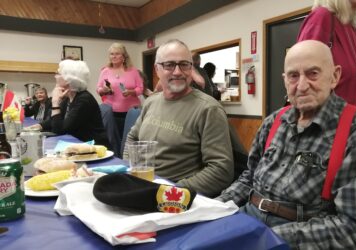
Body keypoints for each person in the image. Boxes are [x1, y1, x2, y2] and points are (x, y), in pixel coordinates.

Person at [216, 40, 356, 249]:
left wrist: (266, 238)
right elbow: (248, 179)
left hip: (300, 236)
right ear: (284, 80)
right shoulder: (274, 121)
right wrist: (214, 206)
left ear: (334, 76)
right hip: (247, 219)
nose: (301, 85)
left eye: (313, 73)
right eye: (293, 76)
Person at [123, 39, 234, 197]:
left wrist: (171, 191)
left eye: (184, 64)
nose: (177, 72)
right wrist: (130, 168)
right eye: (169, 65)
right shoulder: (151, 101)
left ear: (191, 68)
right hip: (140, 186)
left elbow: (221, 171)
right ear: (157, 69)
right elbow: (132, 138)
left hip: (174, 197)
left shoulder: (208, 109)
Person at [32, 60, 109, 147]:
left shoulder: (84, 99)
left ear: (69, 79)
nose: (55, 76)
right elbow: (55, 120)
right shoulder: (69, 97)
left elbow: (59, 130)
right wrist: (40, 126)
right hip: (78, 145)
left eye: (58, 73)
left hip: (95, 149)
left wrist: (55, 103)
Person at [96, 43, 144, 138]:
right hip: (111, 112)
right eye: (111, 54)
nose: (114, 56)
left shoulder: (133, 71)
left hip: (131, 112)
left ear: (124, 56)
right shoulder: (105, 71)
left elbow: (141, 89)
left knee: (129, 139)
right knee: (113, 138)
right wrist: (104, 90)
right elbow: (98, 89)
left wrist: (131, 92)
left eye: (117, 53)